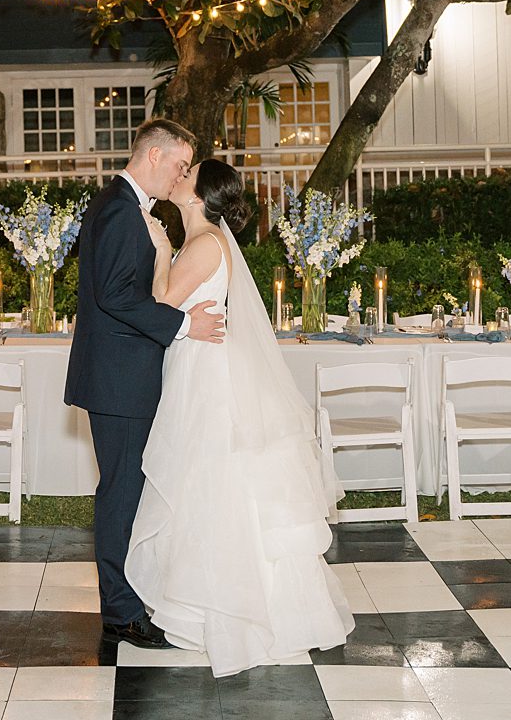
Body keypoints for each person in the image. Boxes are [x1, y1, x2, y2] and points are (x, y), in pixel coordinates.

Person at [125, 158, 353, 677]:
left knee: (210, 483)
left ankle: (230, 614)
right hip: (200, 365)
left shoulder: (203, 244)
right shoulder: (206, 242)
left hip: (205, 376)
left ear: (201, 196)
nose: (178, 176)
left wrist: (161, 251)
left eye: (188, 175)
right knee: (211, 484)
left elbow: (162, 300)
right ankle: (210, 606)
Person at [64, 119, 225, 649]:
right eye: (179, 165)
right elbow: (114, 296)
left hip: (123, 375)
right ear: (153, 156)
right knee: (120, 492)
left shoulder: (125, 207)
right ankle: (121, 611)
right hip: (118, 379)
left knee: (127, 488)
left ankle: (127, 596)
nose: (181, 175)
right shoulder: (118, 210)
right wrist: (183, 325)